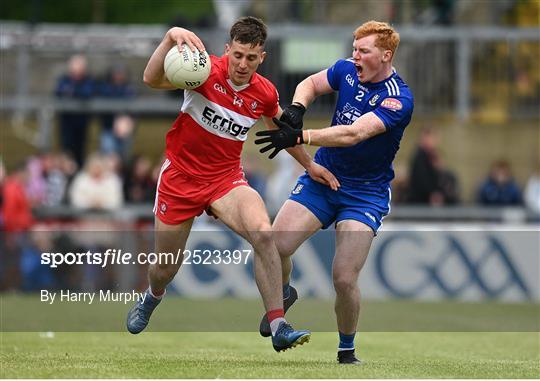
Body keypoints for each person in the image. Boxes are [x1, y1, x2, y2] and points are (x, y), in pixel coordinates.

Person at [126, 16, 336, 352]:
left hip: (226, 179)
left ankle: (279, 323)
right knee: (165, 267)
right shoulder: (201, 70)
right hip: (180, 177)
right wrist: (169, 38)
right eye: (237, 55)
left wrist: (310, 165)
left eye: (251, 58)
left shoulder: (264, 92)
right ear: (228, 49)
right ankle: (152, 296)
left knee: (263, 233)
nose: (242, 64)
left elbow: (284, 132)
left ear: (261, 58)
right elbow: (150, 78)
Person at [255, 21, 414, 364]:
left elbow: (354, 134)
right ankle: (283, 294)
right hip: (323, 179)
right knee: (274, 244)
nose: (354, 56)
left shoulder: (399, 99)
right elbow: (311, 83)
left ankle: (346, 349)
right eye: (354, 49)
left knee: (343, 277)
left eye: (363, 51)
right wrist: (298, 107)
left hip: (365, 193)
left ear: (385, 56)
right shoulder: (346, 70)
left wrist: (300, 137)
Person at [54, 55, 94, 167]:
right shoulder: (64, 80)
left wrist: (72, 92)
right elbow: (58, 94)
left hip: (81, 123)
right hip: (66, 123)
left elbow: (86, 94)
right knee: (66, 152)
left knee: (79, 153)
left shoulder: (88, 81)